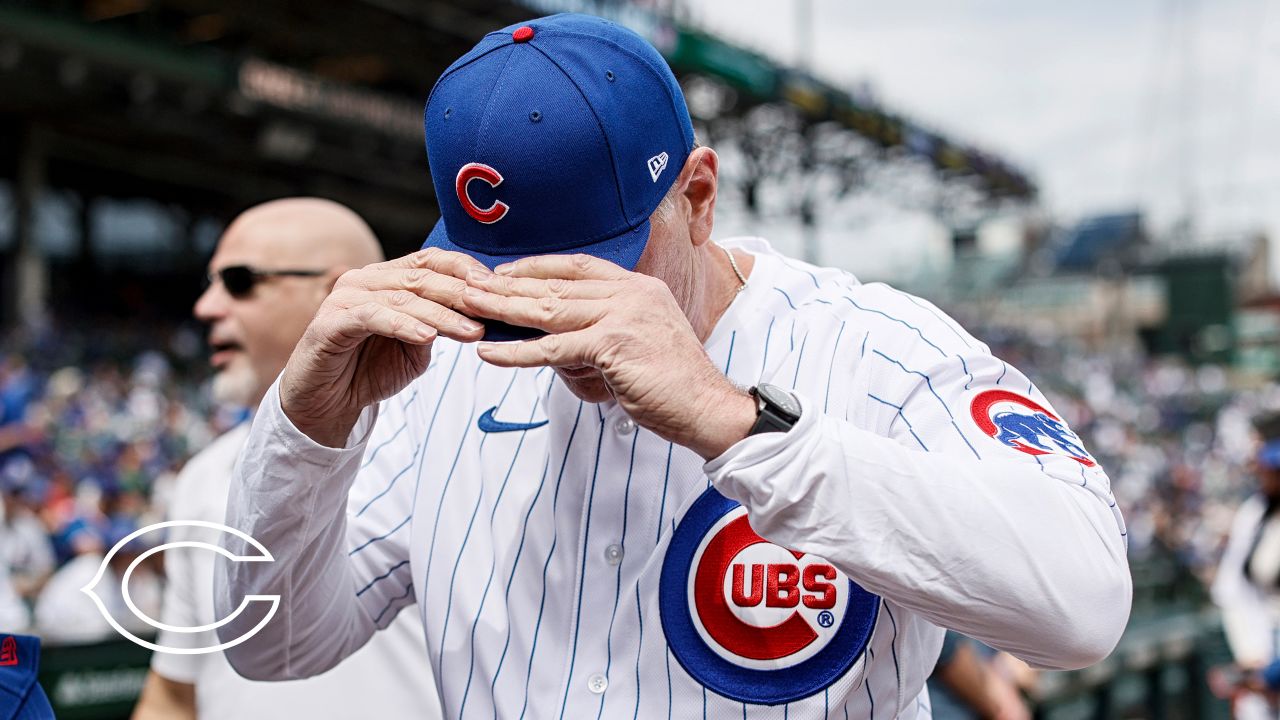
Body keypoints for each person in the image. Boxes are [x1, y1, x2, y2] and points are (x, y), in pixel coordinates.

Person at [214, 15, 1132, 718]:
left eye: (592, 264)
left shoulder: (872, 343)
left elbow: (1082, 608)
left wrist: (738, 422)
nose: (545, 312)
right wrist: (304, 430)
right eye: (508, 278)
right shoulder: (443, 370)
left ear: (697, 196)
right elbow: (272, 646)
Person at [132, 199, 441, 719]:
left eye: (238, 280)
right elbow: (175, 692)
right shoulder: (204, 472)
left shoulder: (433, 437)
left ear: (337, 289)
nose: (207, 306)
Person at [1212, 410, 1280, 720]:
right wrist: (1254, 663)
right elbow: (1230, 593)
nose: (1261, 469)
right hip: (1264, 662)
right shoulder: (1255, 513)